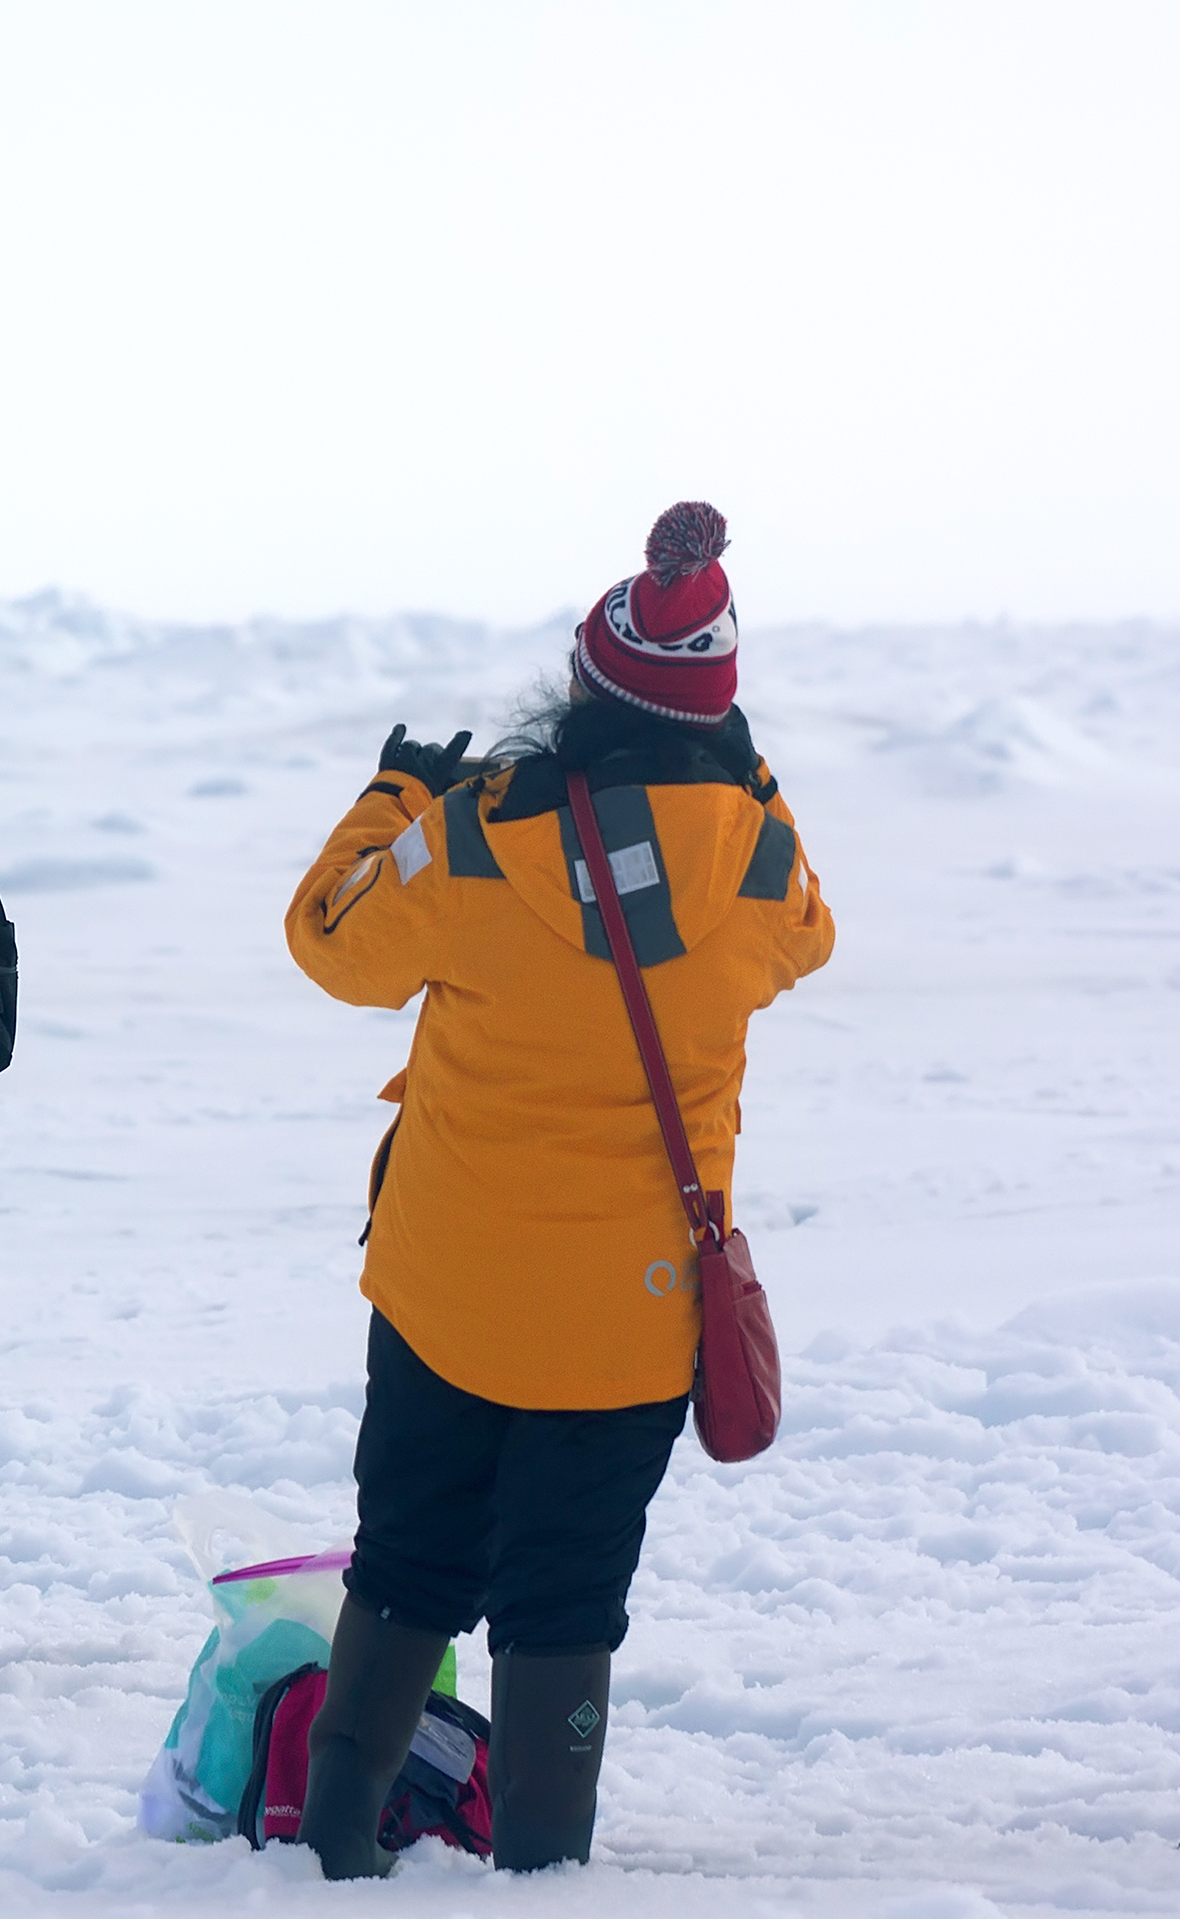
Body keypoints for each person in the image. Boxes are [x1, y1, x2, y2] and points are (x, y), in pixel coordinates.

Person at [279, 503, 836, 1875]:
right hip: (629, 1321)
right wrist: (743, 774)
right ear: (716, 713)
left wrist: (392, 793)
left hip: (445, 1292)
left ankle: (332, 1851)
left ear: (580, 686)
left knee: (405, 1562)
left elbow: (330, 942)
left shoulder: (476, 833)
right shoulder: (761, 865)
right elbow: (808, 936)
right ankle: (539, 1868)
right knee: (564, 1595)